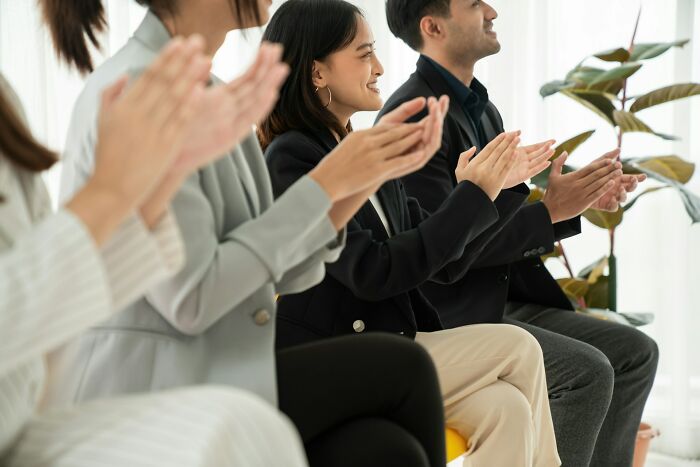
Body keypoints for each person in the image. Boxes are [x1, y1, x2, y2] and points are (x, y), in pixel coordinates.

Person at [41, 1, 450, 466]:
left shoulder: (210, 92)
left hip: (219, 370)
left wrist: (358, 181)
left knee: (387, 450)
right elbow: (194, 299)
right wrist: (328, 183)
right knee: (406, 368)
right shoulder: (143, 90)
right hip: (157, 390)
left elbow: (276, 270)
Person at [262, 1, 561, 465]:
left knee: (508, 411)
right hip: (343, 358)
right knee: (519, 345)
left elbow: (447, 262)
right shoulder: (294, 157)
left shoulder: (358, 146)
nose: (379, 67)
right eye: (364, 55)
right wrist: (472, 194)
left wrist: (489, 189)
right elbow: (374, 272)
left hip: (395, 340)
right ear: (317, 72)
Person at [0, 38, 308, 467]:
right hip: (58, 412)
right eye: (364, 54)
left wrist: (167, 170)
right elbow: (194, 299)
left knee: (261, 432)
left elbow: (47, 299)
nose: (379, 70)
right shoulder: (129, 80)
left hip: (23, 424)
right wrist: (111, 192)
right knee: (244, 434)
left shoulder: (6, 101)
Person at [380, 1, 659, 465]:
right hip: (452, 313)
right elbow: (444, 253)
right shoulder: (414, 117)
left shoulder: (479, 107)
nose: (491, 10)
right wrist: (549, 212)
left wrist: (573, 204)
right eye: (473, 3)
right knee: (587, 373)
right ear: (433, 26)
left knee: (635, 352)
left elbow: (496, 217)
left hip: (501, 296)